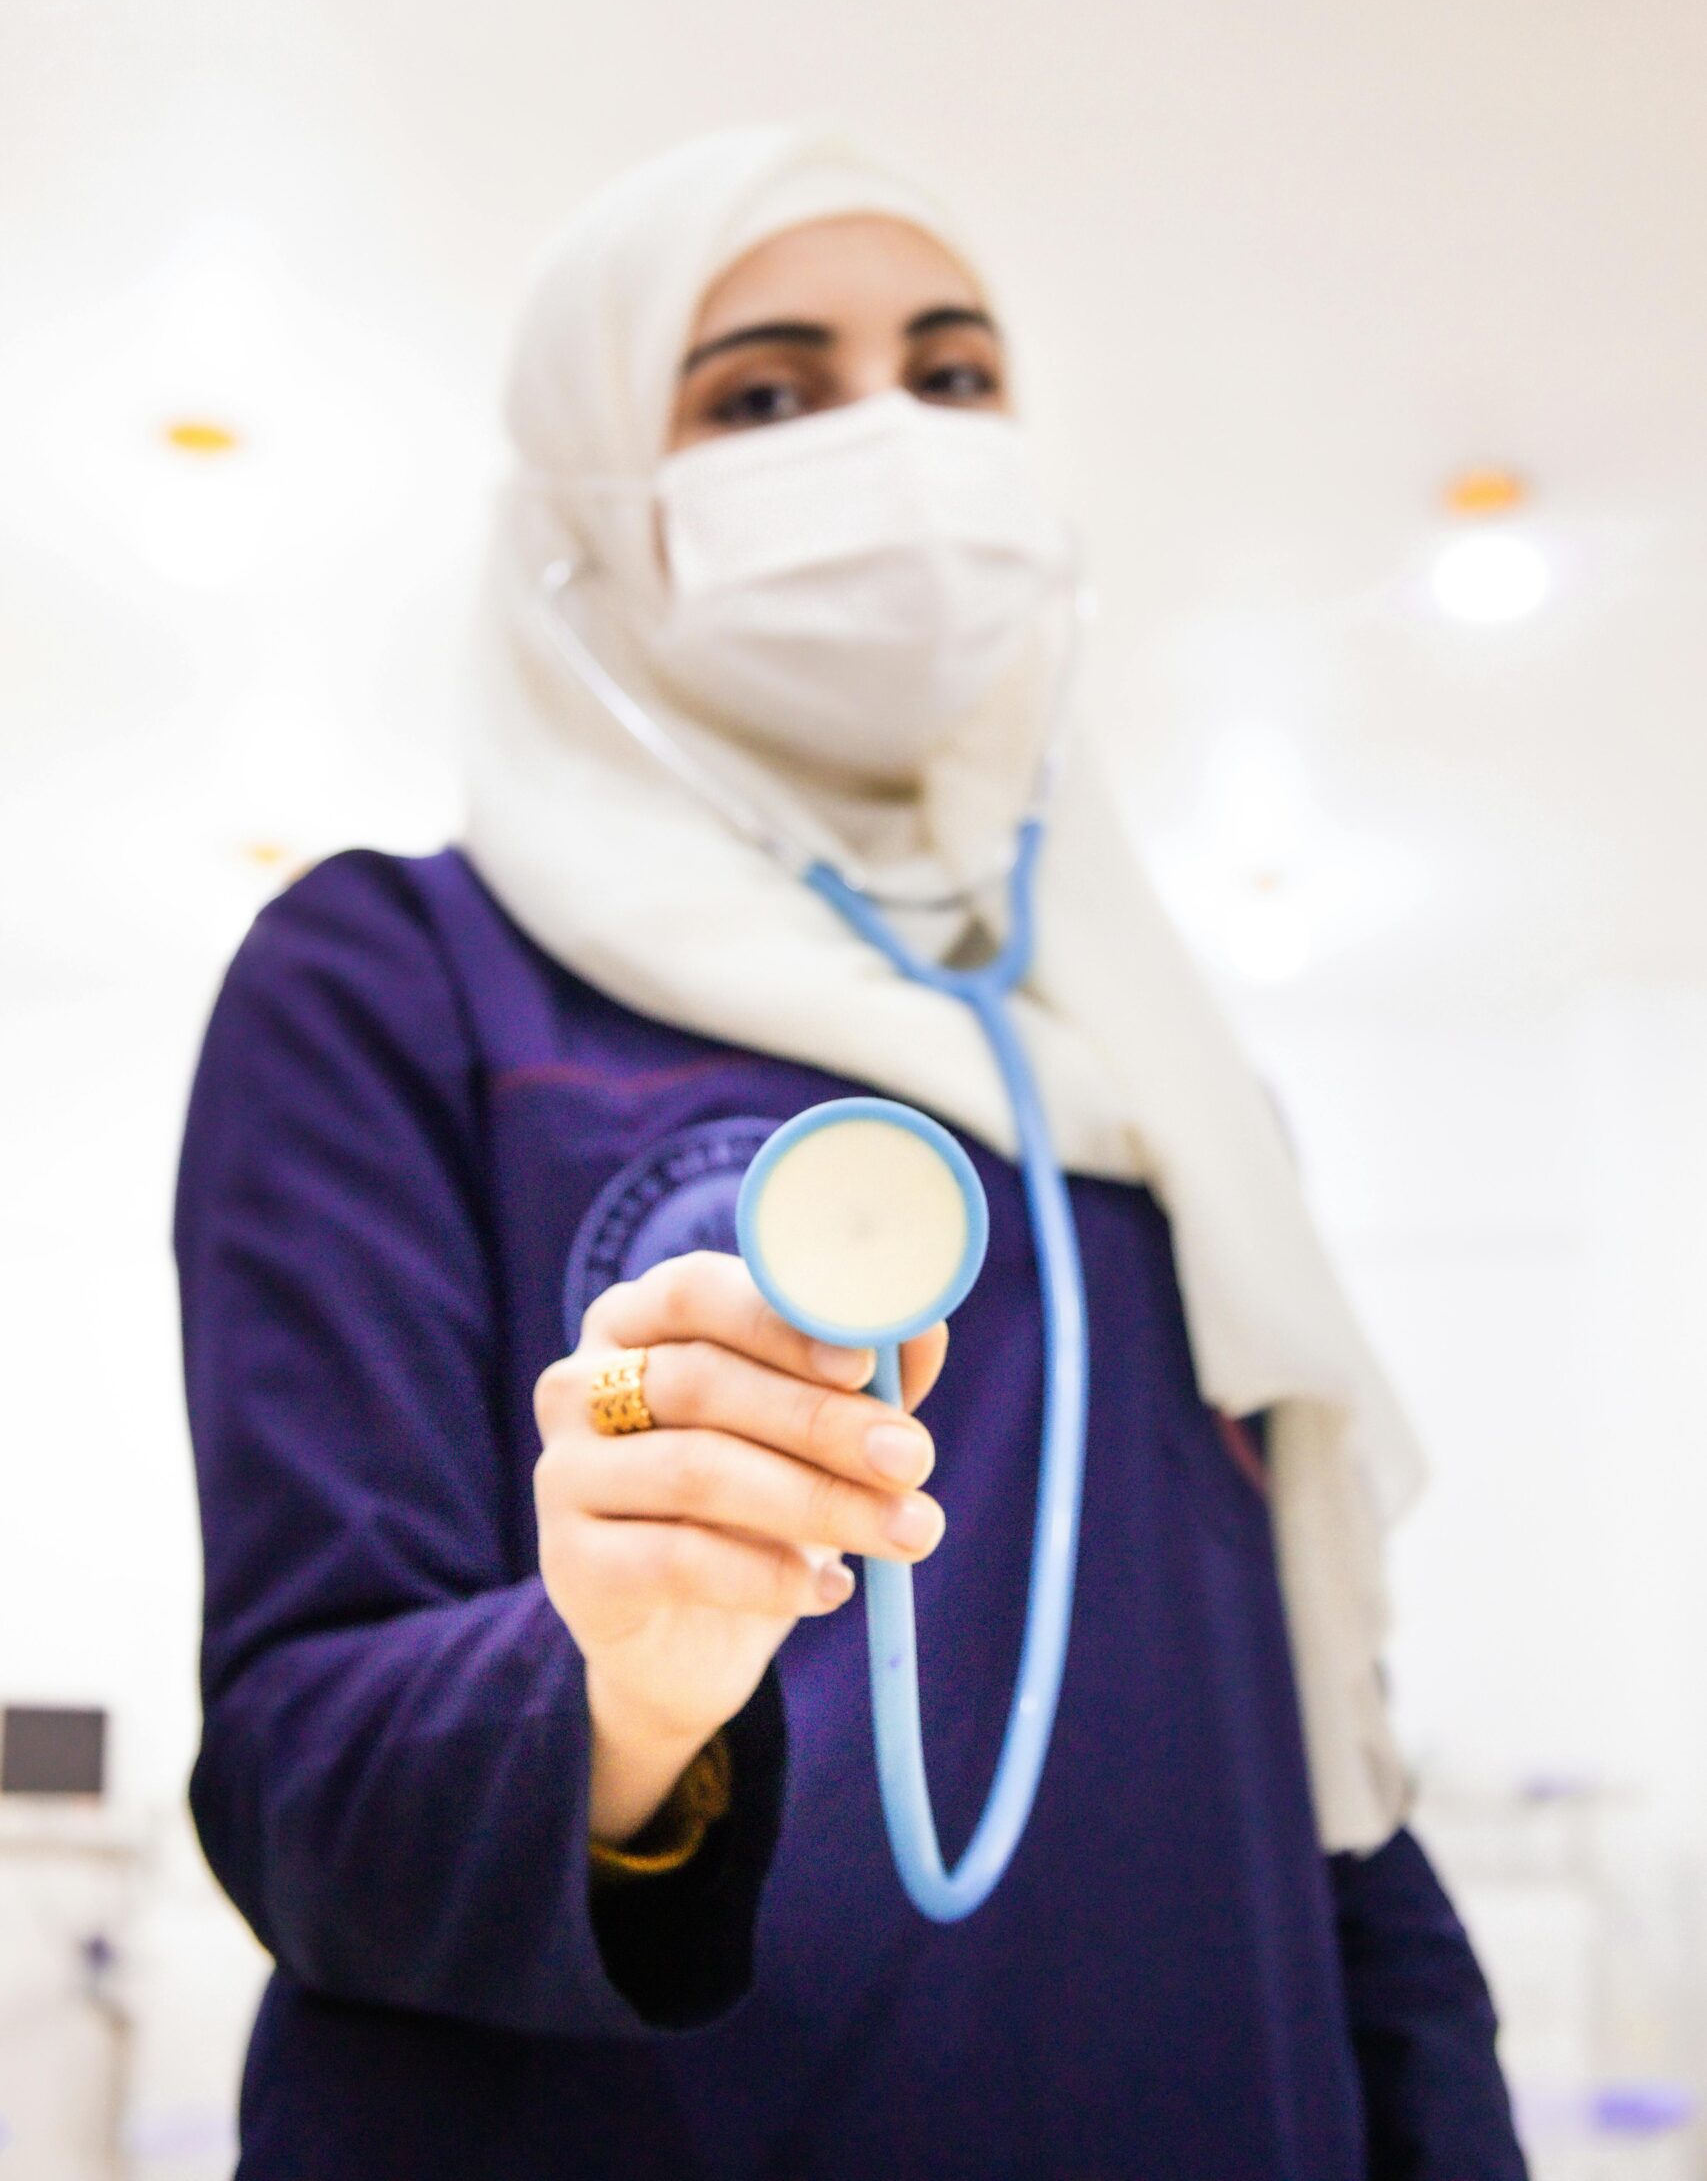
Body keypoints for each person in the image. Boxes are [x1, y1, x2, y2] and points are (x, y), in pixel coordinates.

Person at [176, 124, 1529, 2179]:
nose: (891, 444)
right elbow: (307, 1786)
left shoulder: (1170, 1084)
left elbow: (1327, 1772)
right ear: (581, 511)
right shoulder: (402, 980)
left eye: (954, 374)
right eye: (762, 395)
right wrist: (622, 1692)